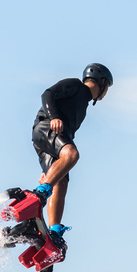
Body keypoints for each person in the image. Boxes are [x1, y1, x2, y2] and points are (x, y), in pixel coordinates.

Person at [31, 63, 113, 236]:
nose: (106, 93)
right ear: (102, 81)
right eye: (107, 87)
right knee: (72, 154)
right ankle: (39, 194)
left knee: (61, 182)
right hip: (47, 127)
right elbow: (47, 94)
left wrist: (49, 171)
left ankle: (54, 230)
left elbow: (66, 140)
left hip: (57, 138)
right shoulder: (76, 85)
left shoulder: (83, 107)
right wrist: (54, 117)